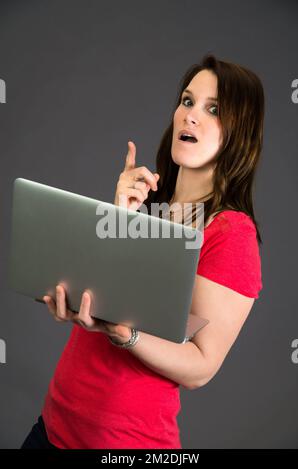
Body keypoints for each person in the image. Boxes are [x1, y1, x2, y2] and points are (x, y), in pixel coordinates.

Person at [21, 53, 264, 449]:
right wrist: (121, 219)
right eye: (187, 101)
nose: (190, 115)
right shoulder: (152, 206)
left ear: (240, 133)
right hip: (52, 428)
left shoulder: (231, 233)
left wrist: (126, 335)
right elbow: (101, 293)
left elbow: (201, 366)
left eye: (213, 109)